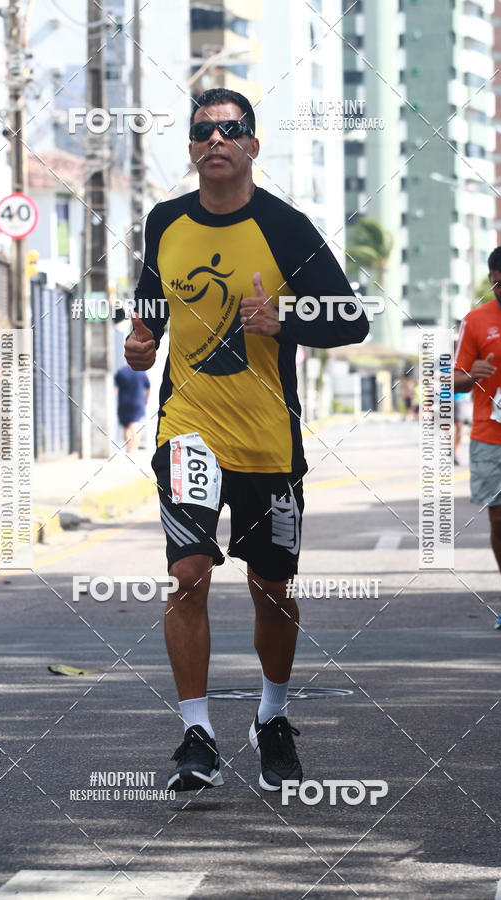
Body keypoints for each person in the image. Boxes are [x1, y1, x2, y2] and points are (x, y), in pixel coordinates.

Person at [124, 87, 369, 792]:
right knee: (189, 574)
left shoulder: (287, 228)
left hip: (269, 440)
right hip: (188, 430)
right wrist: (140, 346)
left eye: (231, 130)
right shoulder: (164, 222)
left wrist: (284, 322)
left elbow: (350, 320)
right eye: (203, 131)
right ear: (192, 148)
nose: (217, 140)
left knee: (272, 590)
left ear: (253, 146)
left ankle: (272, 714)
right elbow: (149, 317)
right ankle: (197, 731)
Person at [454, 244, 501, 629]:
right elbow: (454, 379)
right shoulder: (477, 321)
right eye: (499, 284)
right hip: (491, 436)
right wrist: (472, 375)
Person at [114, 363, 150, 452]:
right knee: (135, 424)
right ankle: (134, 448)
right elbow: (148, 387)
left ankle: (129, 448)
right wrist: (146, 399)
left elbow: (115, 390)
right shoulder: (141, 372)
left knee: (126, 426)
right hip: (138, 402)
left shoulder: (121, 372)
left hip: (124, 402)